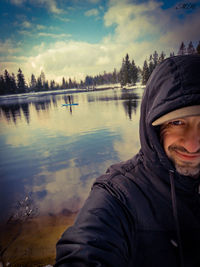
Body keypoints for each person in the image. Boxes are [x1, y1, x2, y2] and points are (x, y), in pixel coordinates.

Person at [55, 55, 200, 267]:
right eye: (177, 122)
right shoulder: (120, 195)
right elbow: (86, 249)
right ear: (153, 127)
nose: (193, 144)